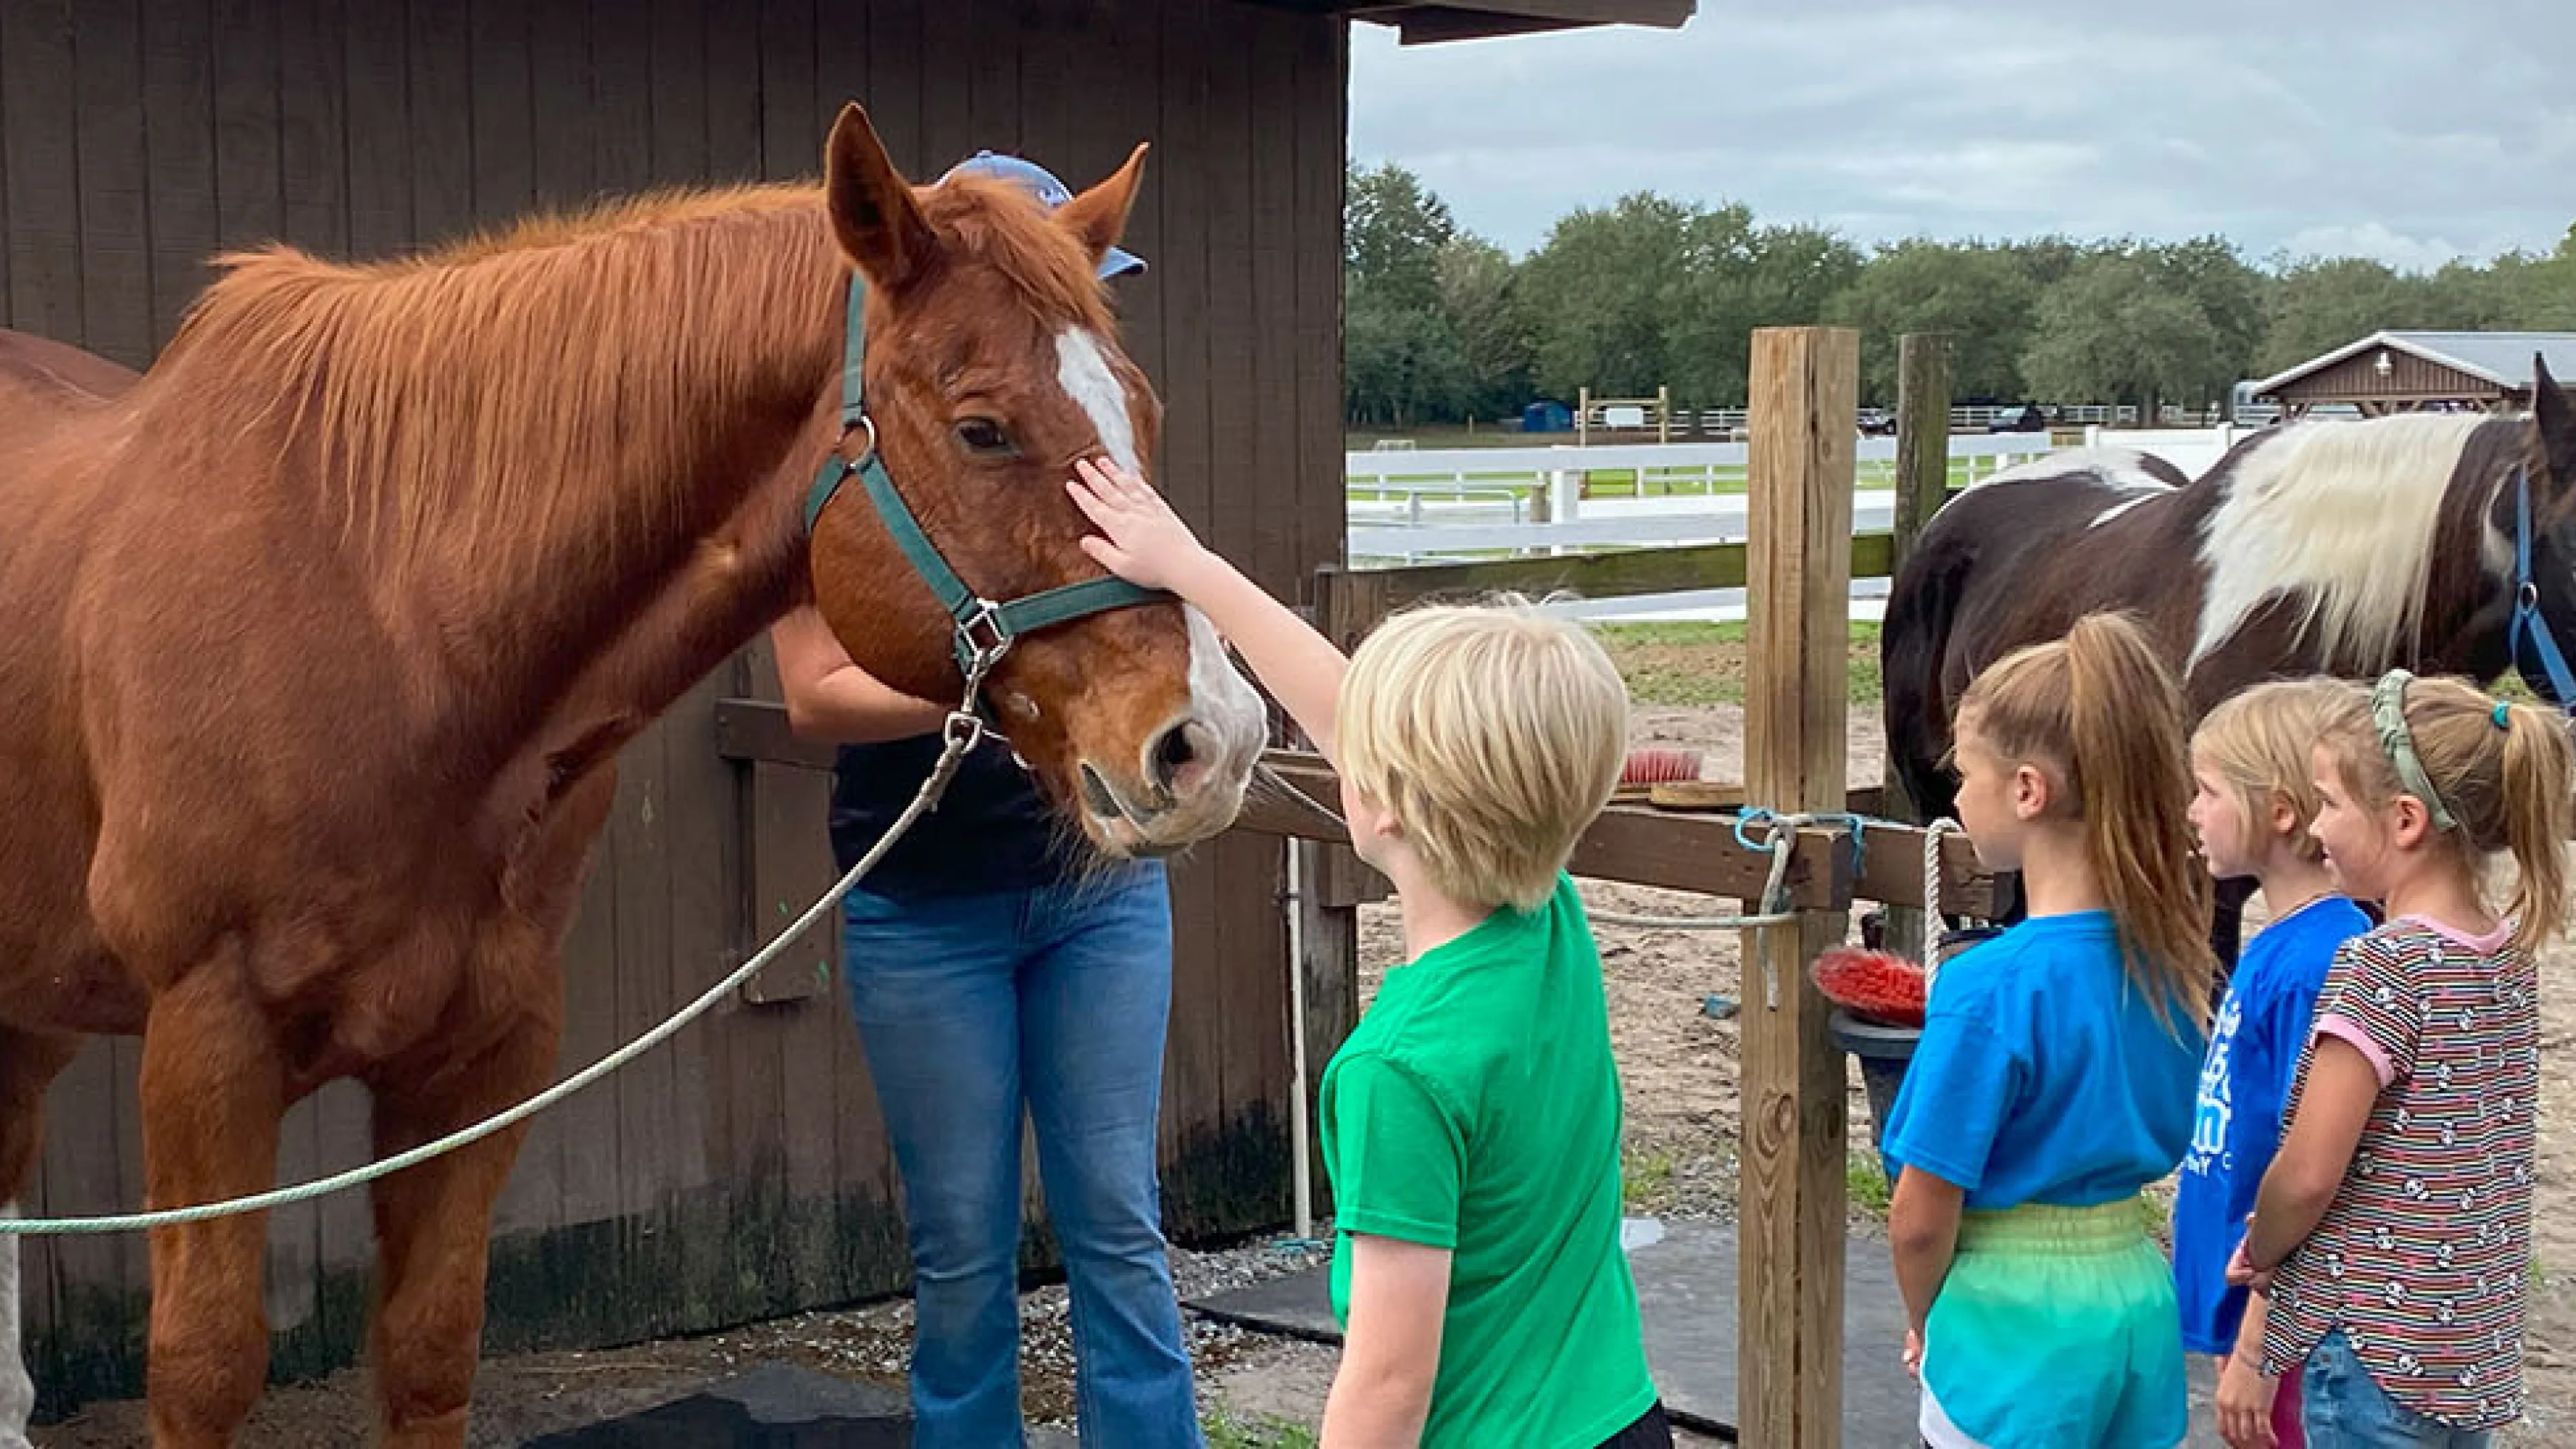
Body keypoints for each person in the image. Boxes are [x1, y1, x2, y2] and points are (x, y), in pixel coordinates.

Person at [1065, 457, 1672, 1448]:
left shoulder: (1400, 1070)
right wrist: (1191, 569)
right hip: (1619, 1420)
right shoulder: (1547, 920)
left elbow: (1389, 1382)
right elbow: (1377, 724)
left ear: (1381, 800)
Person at [769, 147, 1200, 1449]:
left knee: (1117, 1222)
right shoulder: (863, 455)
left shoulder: (1082, 429)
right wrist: (989, 674)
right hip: (925, 909)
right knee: (959, 1245)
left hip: (1097, 895)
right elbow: (810, 691)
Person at [1880, 610, 2214, 1449]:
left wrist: (1928, 1320)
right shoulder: (2173, 961)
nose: (1956, 795)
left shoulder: (1987, 987)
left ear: (2029, 790)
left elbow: (1921, 1214)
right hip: (2135, 1301)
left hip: (2009, 1325)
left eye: (1966, 773)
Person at [2230, 669, 2572, 1448]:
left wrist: (2262, 1245)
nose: (2316, 828)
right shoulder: (2506, 955)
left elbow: (2312, 1168)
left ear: (2406, 819)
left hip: (2371, 1348)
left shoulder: (2383, 964)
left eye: (2330, 803)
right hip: (2466, 1348)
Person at [2172, 680, 2373, 1449]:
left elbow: (2313, 1159)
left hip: (2282, 1317)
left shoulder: (2317, 959)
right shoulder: (2280, 942)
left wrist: (2262, 1332)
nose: (2193, 812)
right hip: (2249, 1295)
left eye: (2209, 791)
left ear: (2280, 812)